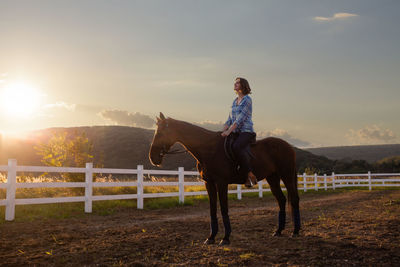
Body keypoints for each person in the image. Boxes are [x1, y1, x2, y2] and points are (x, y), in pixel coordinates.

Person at [221, 77, 257, 188]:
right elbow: (230, 119)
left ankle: (249, 174)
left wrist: (228, 131)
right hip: (235, 131)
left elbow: (239, 119)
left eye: (237, 83)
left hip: (246, 131)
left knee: (237, 146)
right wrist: (223, 129)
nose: (235, 84)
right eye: (235, 83)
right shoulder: (234, 101)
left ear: (243, 85)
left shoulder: (247, 99)